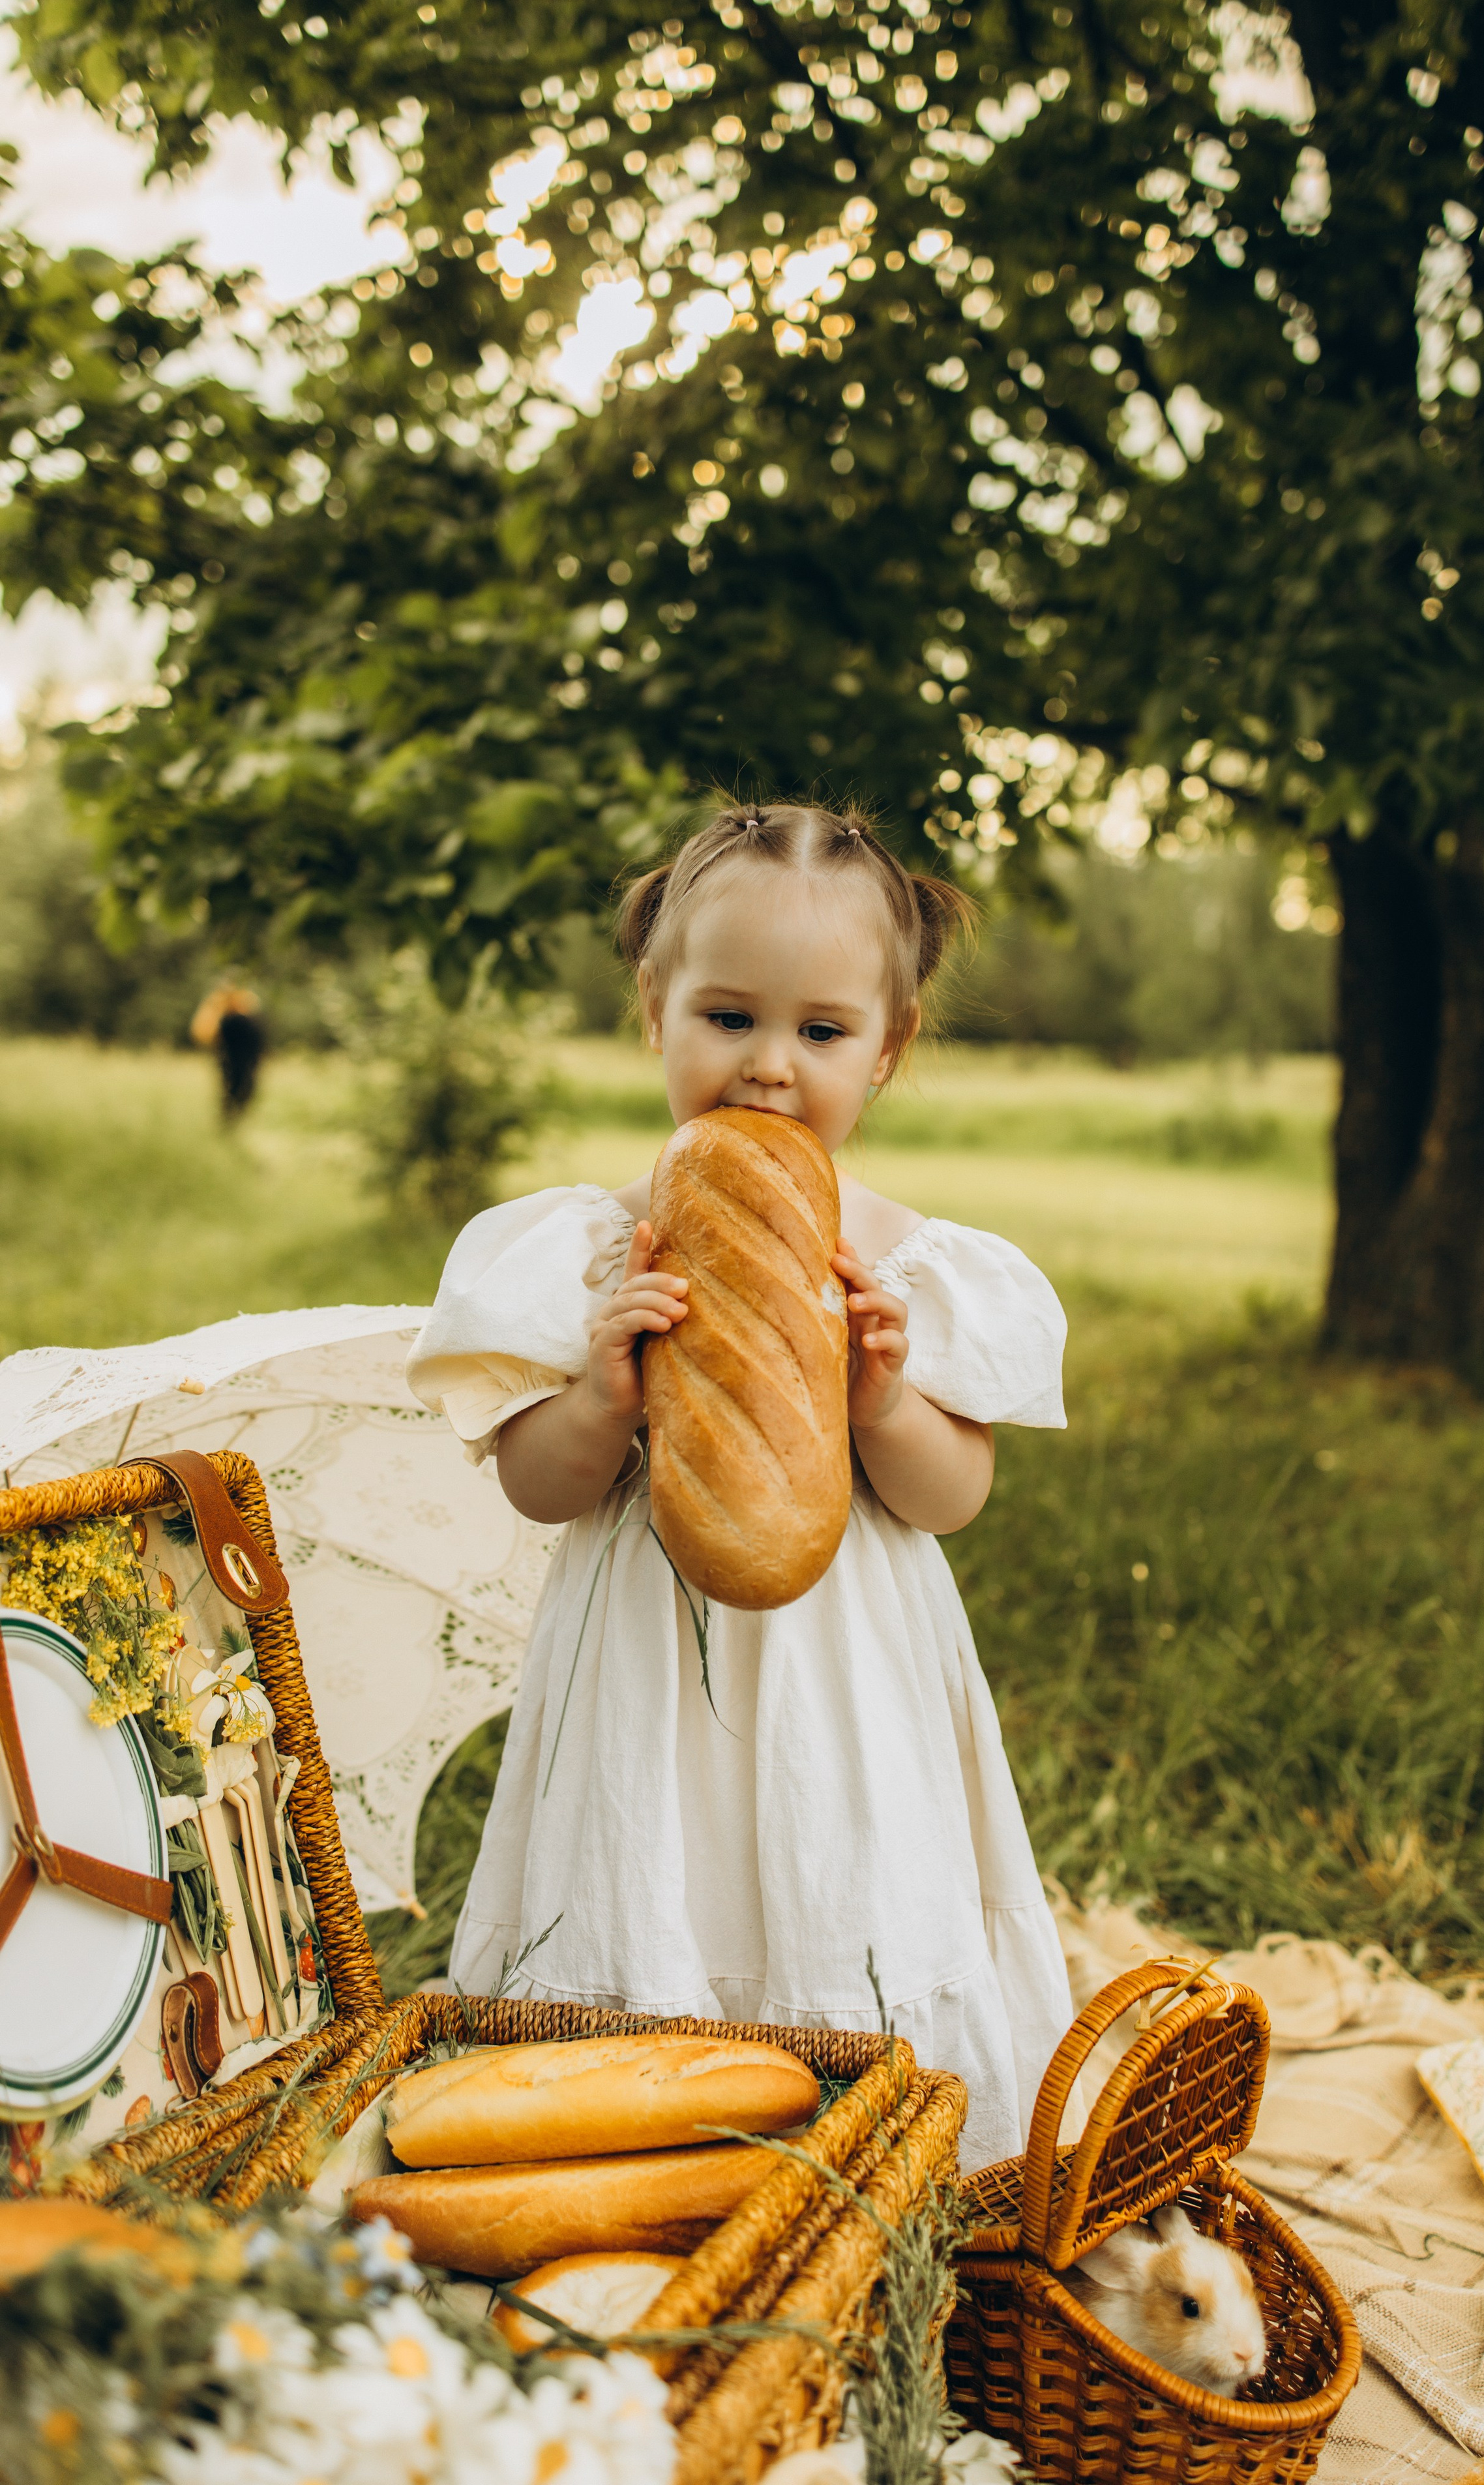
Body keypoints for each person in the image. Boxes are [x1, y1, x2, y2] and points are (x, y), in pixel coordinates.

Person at [406, 803, 1075, 2168]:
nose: (769, 1068)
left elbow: (950, 1497)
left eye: (821, 1033)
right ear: (653, 1009)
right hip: (639, 1672)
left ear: (884, 1051)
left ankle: (862, 2153)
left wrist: (881, 1396)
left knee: (847, 1884)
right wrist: (601, 1392)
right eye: (726, 1017)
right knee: (650, 1875)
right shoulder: (583, 1249)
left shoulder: (910, 1266)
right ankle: (637, 2152)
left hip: (848, 1673)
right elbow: (538, 1488)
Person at [189, 983, 265, 1123]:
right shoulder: (238, 1021)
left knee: (231, 1094)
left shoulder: (229, 1021)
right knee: (238, 1093)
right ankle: (232, 1123)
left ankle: (230, 1123)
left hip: (231, 1064)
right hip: (239, 1065)